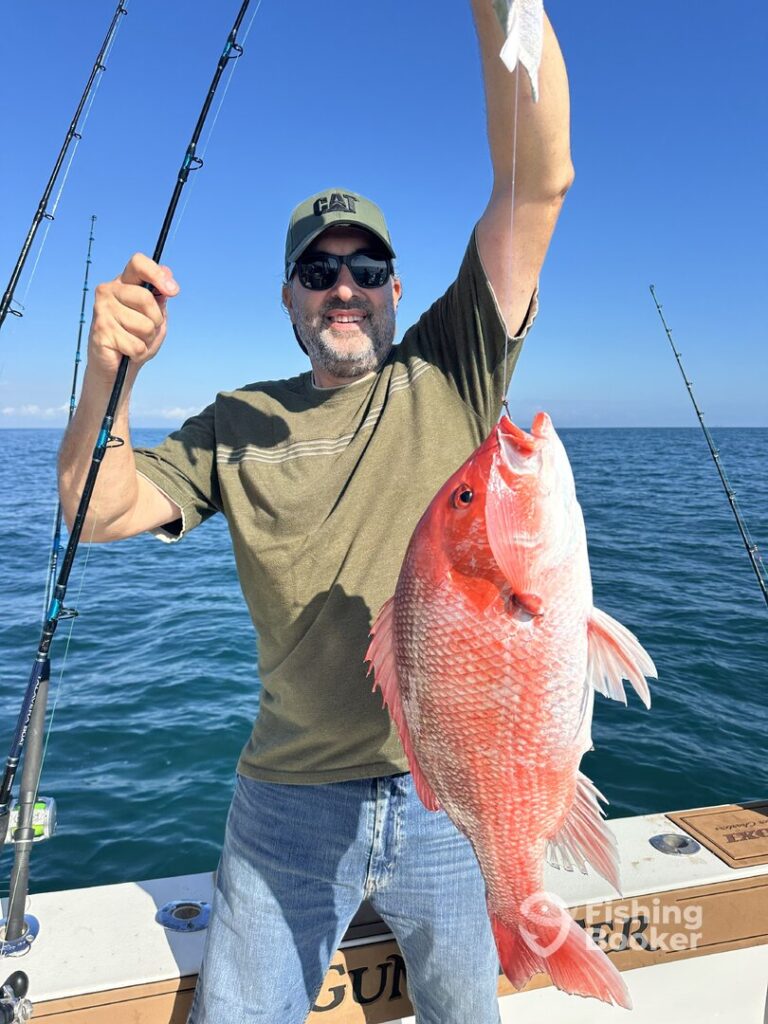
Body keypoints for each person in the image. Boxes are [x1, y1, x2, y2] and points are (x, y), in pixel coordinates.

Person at [58, 3, 572, 1021]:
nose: (346, 288)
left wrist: (502, 9)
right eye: (319, 270)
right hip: (285, 799)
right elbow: (91, 510)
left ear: (394, 288)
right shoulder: (233, 421)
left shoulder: (452, 366)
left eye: (367, 269)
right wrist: (104, 379)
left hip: (443, 800)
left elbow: (536, 180)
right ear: (290, 297)